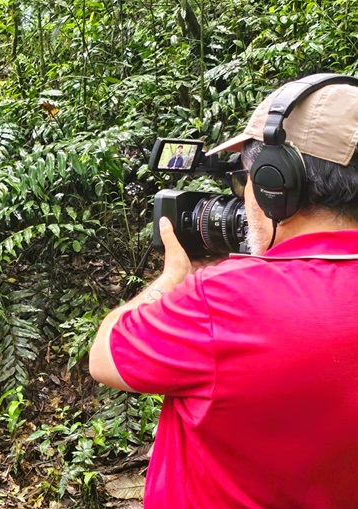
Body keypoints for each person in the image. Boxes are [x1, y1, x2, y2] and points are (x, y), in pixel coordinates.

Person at [89, 76, 358, 508]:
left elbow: (105, 355)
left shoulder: (222, 301)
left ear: (277, 185)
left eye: (242, 179)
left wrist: (172, 277)